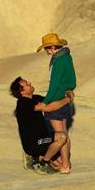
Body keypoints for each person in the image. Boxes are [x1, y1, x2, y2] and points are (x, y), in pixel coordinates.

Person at [9, 77, 73, 174]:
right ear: (22, 92)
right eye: (26, 84)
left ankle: (37, 158)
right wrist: (68, 99)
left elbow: (52, 101)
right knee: (62, 137)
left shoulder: (34, 98)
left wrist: (64, 93)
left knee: (62, 162)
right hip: (34, 142)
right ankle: (43, 163)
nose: (29, 83)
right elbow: (49, 108)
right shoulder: (23, 103)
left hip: (44, 139)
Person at [35, 32, 77, 173]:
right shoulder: (66, 56)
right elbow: (72, 80)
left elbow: (54, 85)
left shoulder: (58, 61)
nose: (46, 51)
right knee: (64, 133)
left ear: (53, 47)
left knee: (61, 136)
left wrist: (45, 103)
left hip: (56, 101)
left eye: (47, 48)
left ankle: (65, 165)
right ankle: (66, 164)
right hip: (64, 100)